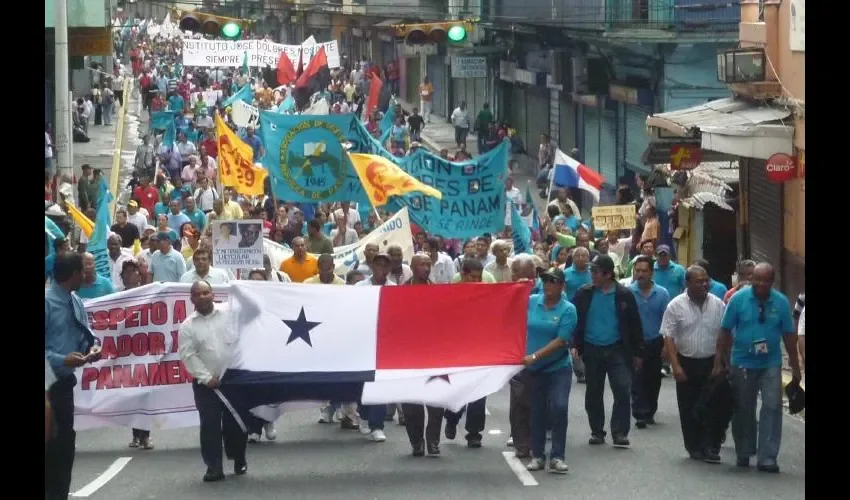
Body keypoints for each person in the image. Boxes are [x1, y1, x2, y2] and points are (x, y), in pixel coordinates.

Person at [715, 263, 801, 473]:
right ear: (751, 278)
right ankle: (744, 451)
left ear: (773, 282)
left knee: (772, 407)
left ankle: (768, 457)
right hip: (742, 362)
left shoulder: (780, 302)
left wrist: (795, 365)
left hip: (770, 363)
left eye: (766, 281)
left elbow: (789, 335)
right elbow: (724, 331)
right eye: (757, 280)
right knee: (743, 408)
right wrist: (719, 361)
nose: (761, 285)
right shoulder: (738, 299)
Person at [178, 281, 248, 482]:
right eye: (198, 294)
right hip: (207, 386)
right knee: (210, 426)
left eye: (206, 292)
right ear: (192, 299)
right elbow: (188, 355)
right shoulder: (187, 326)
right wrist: (207, 378)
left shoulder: (229, 314)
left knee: (235, 424)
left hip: (233, 381)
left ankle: (238, 457)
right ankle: (214, 467)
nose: (203, 297)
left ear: (213, 294)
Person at [45, 252, 102, 500]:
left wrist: (92, 349)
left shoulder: (76, 301)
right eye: (84, 270)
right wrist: (62, 359)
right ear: (74, 274)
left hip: (65, 387)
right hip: (47, 386)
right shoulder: (47, 302)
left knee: (64, 448)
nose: (88, 273)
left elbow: (85, 336)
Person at [572, 254, 644, 449]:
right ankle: (597, 431)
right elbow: (575, 321)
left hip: (617, 349)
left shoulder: (624, 295)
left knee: (622, 388)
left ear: (608, 274)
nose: (591, 275)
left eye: (595, 271)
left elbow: (635, 325)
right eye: (591, 271)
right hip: (592, 348)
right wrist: (575, 345)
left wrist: (638, 352)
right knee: (593, 392)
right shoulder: (583, 293)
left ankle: (620, 432)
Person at [661, 265, 729, 462]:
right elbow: (669, 337)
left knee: (714, 405)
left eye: (706, 280)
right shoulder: (675, 306)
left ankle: (711, 446)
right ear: (687, 283)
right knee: (689, 407)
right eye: (699, 281)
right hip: (686, 362)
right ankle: (694, 446)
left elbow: (723, 336)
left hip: (711, 363)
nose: (704, 284)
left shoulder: (718, 305)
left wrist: (719, 362)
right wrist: (676, 366)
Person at [522, 268, 577, 474]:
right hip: (535, 369)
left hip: (558, 367)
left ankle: (557, 456)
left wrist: (535, 356)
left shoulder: (568, 309)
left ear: (562, 286)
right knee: (536, 411)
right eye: (545, 281)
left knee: (559, 407)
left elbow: (561, 340)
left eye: (553, 281)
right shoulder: (532, 301)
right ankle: (537, 455)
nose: (548, 285)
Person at [399, 253, 446, 457]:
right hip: (409, 357)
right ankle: (416, 441)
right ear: (413, 267)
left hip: (434, 355)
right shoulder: (401, 293)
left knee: (436, 402)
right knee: (411, 405)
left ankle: (433, 441)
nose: (426, 268)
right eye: (422, 264)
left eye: (428, 264)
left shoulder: (437, 291)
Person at [444, 259, 489, 448]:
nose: (476, 281)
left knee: (479, 393)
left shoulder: (487, 294)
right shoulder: (452, 295)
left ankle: (474, 433)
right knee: (459, 390)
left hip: (480, 350)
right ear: (463, 275)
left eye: (479, 278)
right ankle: (452, 417)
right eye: (472, 277)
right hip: (458, 351)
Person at [354, 253, 396, 441]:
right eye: (378, 264)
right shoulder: (360, 288)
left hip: (385, 343)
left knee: (380, 382)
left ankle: (377, 425)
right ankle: (363, 415)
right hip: (363, 341)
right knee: (363, 382)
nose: (381, 268)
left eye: (385, 265)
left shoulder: (395, 289)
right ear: (371, 267)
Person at [628, 256, 671, 429]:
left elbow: (667, 321)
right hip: (635, 343)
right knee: (637, 379)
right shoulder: (629, 293)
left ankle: (650, 410)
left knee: (653, 379)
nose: (640, 274)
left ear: (651, 273)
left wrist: (667, 345)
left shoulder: (662, 293)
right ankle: (640, 413)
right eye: (637, 270)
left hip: (656, 341)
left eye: (644, 271)